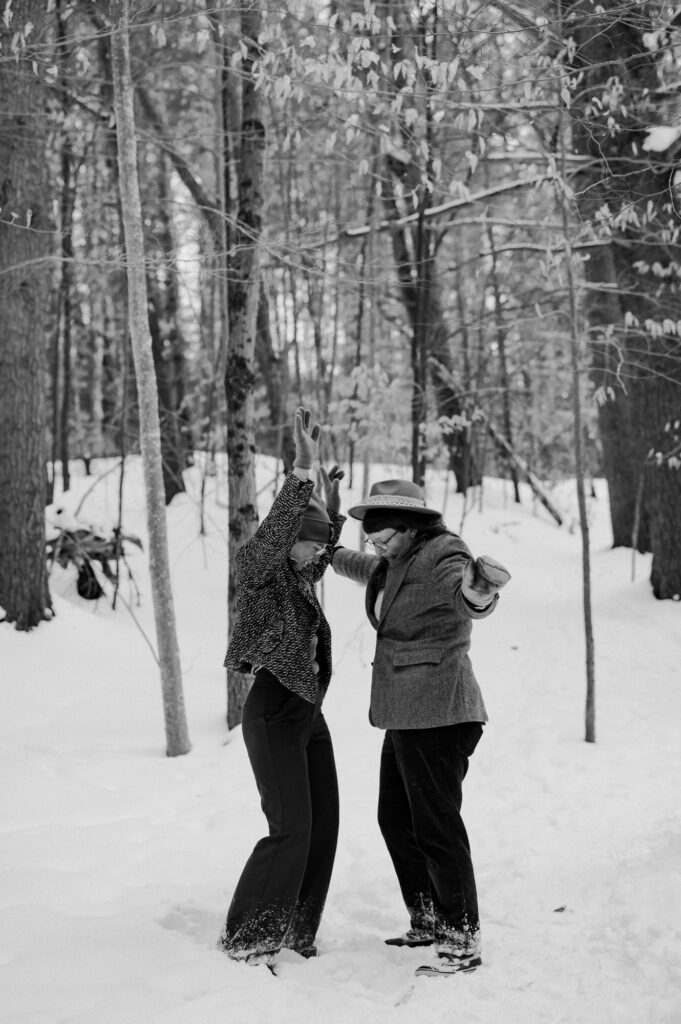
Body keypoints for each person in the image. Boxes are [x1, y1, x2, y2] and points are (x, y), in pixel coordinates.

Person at [328, 477, 510, 978]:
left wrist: (479, 591)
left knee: (436, 827)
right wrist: (328, 540)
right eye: (372, 540)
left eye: (384, 537)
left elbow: (466, 593)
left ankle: (461, 938)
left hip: (441, 713)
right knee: (396, 819)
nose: (377, 546)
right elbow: (361, 567)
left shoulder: (444, 553)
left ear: (410, 527)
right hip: (407, 715)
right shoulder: (397, 562)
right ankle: (428, 918)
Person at [218, 409, 345, 974]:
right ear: (288, 539)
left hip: (306, 713)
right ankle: (249, 936)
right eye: (310, 544)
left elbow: (317, 546)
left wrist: (333, 512)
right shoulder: (262, 566)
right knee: (291, 825)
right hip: (272, 711)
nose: (318, 556)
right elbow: (280, 532)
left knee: (324, 822)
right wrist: (303, 469)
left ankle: (295, 929)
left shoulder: (296, 574)